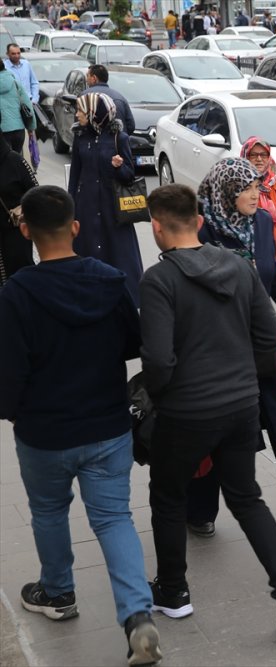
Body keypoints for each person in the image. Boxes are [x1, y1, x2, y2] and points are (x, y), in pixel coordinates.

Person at [140, 183, 276, 638]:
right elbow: (271, 343)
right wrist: (240, 378)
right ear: (199, 221)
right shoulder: (238, 267)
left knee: (169, 497)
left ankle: (174, 592)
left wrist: (161, 395)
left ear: (157, 228)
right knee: (247, 497)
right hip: (241, 406)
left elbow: (157, 360)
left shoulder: (158, 280)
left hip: (186, 411)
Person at [0, 185, 162, 667]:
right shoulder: (109, 280)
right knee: (114, 519)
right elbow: (134, 343)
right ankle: (137, 618)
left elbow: (10, 369)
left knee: (48, 511)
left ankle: (58, 592)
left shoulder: (16, 292)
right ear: (74, 227)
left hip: (45, 432)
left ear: (26, 230)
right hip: (107, 426)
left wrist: (13, 412)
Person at [185, 157, 276, 538]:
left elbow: (273, 275)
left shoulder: (259, 221)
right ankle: (199, 509)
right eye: (248, 188)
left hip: (261, 341)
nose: (256, 194)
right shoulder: (204, 229)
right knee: (217, 431)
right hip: (220, 347)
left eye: (258, 187)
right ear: (227, 191)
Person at [68, 92, 144, 304]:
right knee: (88, 251)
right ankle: (90, 297)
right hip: (87, 205)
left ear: (94, 112)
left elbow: (129, 175)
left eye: (81, 111)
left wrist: (118, 167)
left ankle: (126, 300)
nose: (77, 115)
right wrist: (70, 206)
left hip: (113, 208)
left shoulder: (120, 138)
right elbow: (75, 175)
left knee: (118, 253)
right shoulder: (80, 137)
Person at [241, 136, 276, 280]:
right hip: (256, 255)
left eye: (263, 154)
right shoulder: (239, 184)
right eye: (254, 155)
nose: (259, 159)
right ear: (246, 156)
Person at [0, 132, 37, 285]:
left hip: (14, 235)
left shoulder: (15, 161)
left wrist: (22, 208)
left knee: (21, 281)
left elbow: (36, 194)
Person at [82, 64, 135, 135]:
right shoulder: (120, 98)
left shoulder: (84, 96)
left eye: (87, 76)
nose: (86, 79)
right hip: (116, 144)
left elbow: (78, 126)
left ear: (94, 78)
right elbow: (131, 126)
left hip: (91, 144)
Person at [0, 57, 37, 153]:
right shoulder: (15, 83)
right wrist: (31, 128)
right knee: (16, 160)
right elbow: (27, 105)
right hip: (18, 130)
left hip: (2, 131)